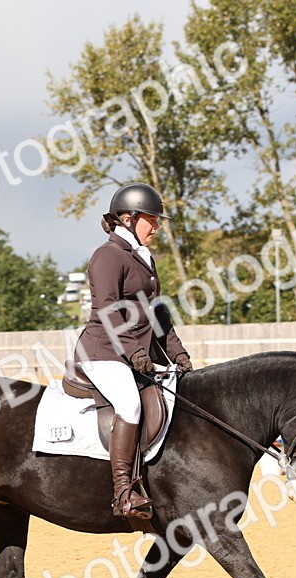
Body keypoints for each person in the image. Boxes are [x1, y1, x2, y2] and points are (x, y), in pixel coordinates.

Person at [73, 182, 193, 520]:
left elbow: (158, 314)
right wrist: (135, 354)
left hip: (133, 353)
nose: (156, 227)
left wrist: (178, 355)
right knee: (129, 403)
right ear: (127, 219)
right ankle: (123, 492)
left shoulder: (143, 257)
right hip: (103, 352)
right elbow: (108, 311)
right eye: (151, 219)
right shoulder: (107, 255)